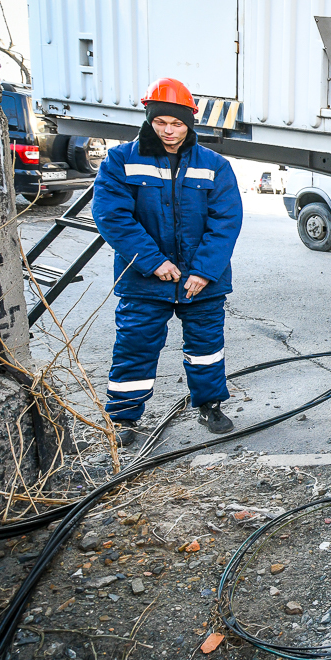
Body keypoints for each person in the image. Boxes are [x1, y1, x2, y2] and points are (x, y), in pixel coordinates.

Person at [92, 77, 243, 446]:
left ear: (190, 121)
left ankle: (209, 405)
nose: (169, 131)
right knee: (135, 346)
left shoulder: (215, 165)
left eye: (176, 123)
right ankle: (124, 419)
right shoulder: (120, 160)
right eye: (161, 122)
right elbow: (112, 216)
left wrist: (205, 271)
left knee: (206, 347)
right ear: (148, 118)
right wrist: (154, 262)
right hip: (145, 280)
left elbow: (226, 221)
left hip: (202, 281)